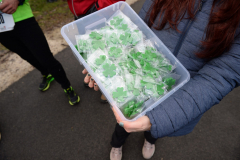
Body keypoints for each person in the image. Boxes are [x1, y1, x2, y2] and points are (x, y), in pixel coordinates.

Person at [85, 0, 240, 159]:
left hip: (177, 94)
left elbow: (223, 74)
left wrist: (159, 119)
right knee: (124, 123)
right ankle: (116, 145)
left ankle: (150, 140)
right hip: (138, 74)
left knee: (155, 125)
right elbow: (141, 23)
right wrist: (103, 62)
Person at [0, 0, 80, 105]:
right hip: (2, 31)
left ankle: (67, 87)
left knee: (45, 58)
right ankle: (46, 73)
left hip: (22, 19)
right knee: (28, 56)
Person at [67, 0, 125, 103]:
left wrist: (101, 5)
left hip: (99, 11)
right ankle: (99, 79)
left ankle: (111, 88)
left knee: (110, 51)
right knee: (91, 50)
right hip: (80, 15)